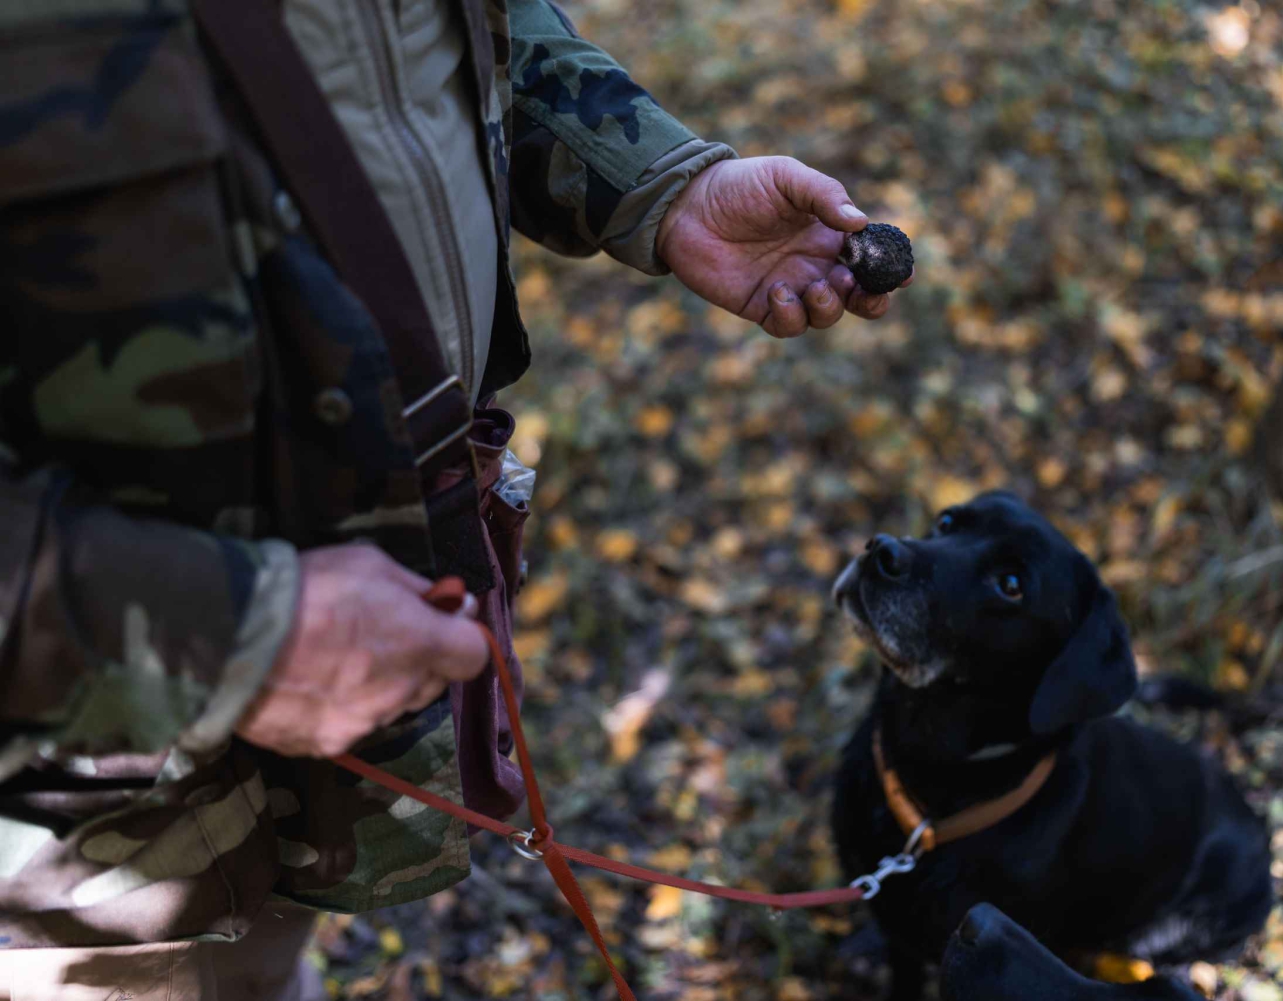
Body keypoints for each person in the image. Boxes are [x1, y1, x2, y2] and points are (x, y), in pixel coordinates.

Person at [0, 1, 909, 998]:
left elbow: (437, 35)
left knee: (264, 962)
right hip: (87, 774)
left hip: (362, 620)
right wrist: (220, 635)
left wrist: (656, 181)